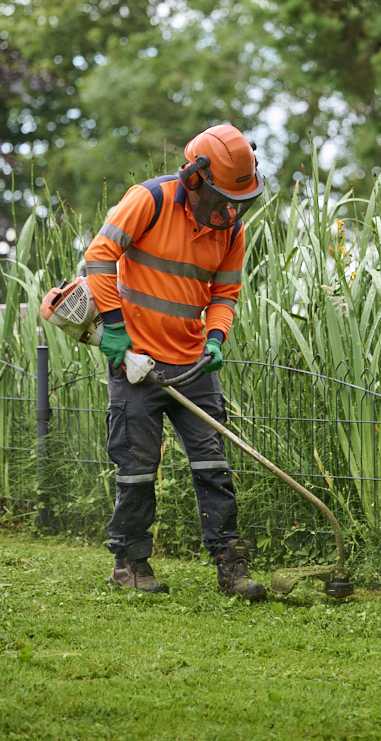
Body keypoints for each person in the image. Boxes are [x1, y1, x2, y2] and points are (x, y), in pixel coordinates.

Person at [84, 124, 266, 598]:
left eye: (236, 197)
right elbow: (99, 258)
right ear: (194, 176)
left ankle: (231, 564)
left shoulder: (231, 228)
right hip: (136, 362)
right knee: (137, 467)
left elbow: (225, 291)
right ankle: (131, 563)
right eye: (221, 194)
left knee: (214, 465)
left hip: (192, 365)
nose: (228, 206)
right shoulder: (151, 199)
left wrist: (217, 336)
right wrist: (116, 330)